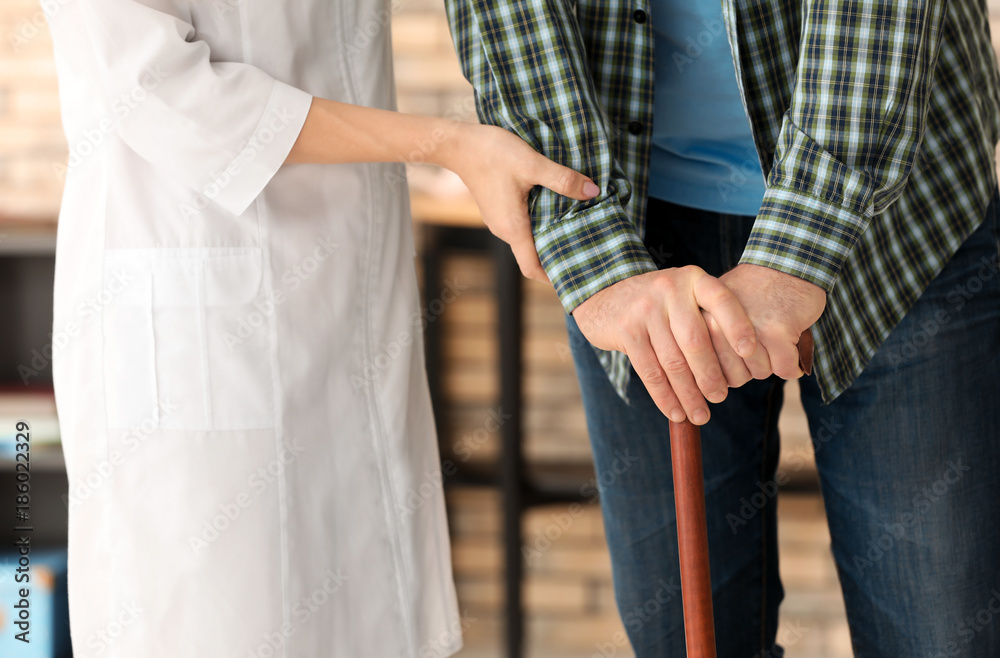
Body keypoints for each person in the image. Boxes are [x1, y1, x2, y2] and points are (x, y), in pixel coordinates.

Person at [46, 1, 599, 656]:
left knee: (359, 613)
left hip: (347, 296)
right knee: (221, 619)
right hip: (199, 326)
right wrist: (448, 143)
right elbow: (159, 88)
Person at [447, 0, 1000, 655]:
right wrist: (591, 246)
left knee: (940, 634)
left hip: (899, 206)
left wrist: (801, 246)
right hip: (639, 223)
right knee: (678, 636)